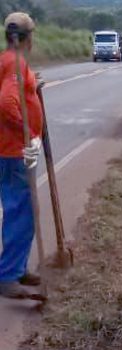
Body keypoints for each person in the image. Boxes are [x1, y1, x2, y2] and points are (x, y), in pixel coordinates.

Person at [0, 12, 44, 299]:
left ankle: (16, 268)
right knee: (22, 212)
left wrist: (32, 85)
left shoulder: (7, 61)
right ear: (28, 39)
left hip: (7, 149)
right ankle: (9, 276)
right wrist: (28, 131)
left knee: (19, 209)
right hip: (14, 151)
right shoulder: (15, 63)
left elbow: (15, 87)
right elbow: (6, 101)